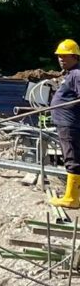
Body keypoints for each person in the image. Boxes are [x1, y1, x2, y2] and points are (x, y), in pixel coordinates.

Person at [51, 39, 80, 210]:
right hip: (66, 122)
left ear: (75, 56)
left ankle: (71, 198)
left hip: (70, 123)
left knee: (72, 157)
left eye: (65, 56)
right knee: (73, 156)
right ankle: (74, 195)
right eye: (59, 56)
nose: (61, 59)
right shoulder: (70, 73)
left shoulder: (77, 74)